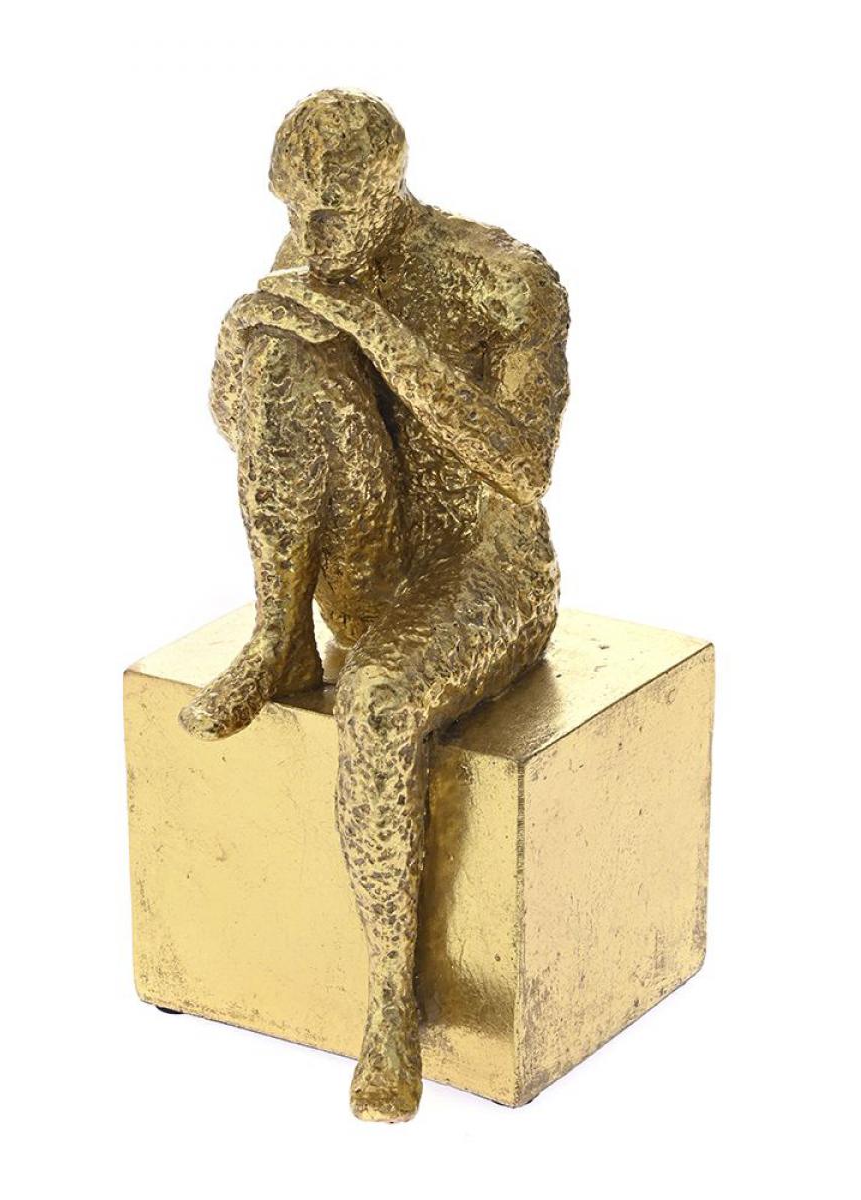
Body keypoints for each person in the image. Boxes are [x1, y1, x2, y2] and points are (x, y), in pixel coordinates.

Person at [180, 89, 569, 1122]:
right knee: (278, 354)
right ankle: (278, 636)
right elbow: (247, 428)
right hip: (374, 560)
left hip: (488, 571)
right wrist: (242, 337)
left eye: (331, 214)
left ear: (388, 188)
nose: (307, 238)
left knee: (380, 703)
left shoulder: (503, 278)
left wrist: (372, 326)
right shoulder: (312, 254)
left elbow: (523, 467)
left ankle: (391, 999)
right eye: (291, 210)